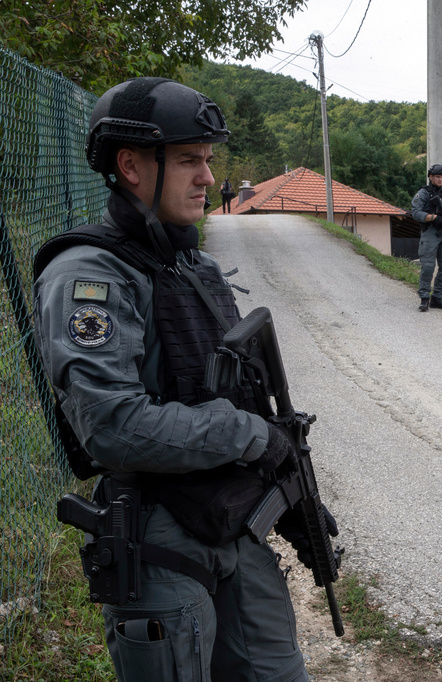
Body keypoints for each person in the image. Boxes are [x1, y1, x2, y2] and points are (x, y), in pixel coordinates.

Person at [33, 77, 333, 681]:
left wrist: (293, 490)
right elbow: (113, 426)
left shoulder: (191, 264)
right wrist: (248, 435)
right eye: (190, 161)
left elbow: (238, 392)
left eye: (208, 160)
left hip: (231, 520)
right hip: (160, 537)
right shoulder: (88, 276)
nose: (206, 177)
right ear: (132, 166)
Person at [410, 163, 442, 312]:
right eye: (437, 177)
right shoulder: (424, 193)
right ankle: (424, 298)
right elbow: (415, 213)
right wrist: (432, 217)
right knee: (428, 267)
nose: (440, 179)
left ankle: (437, 297)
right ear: (431, 177)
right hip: (430, 233)